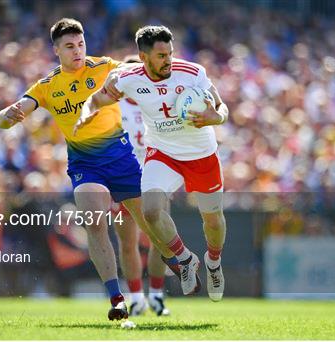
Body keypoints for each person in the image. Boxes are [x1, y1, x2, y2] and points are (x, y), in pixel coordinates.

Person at [0, 18, 176, 320]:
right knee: (103, 227)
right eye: (69, 46)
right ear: (56, 50)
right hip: (85, 165)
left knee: (152, 226)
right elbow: (8, 116)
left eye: (80, 44)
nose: (77, 50)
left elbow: (140, 71)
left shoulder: (104, 67)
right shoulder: (47, 85)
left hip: (124, 164)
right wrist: (7, 115)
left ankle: (171, 274)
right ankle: (121, 298)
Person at [75, 25, 228, 301]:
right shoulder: (129, 78)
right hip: (162, 152)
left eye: (170, 53)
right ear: (143, 57)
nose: (168, 59)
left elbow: (221, 107)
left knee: (213, 220)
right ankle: (185, 259)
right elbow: (98, 98)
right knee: (151, 212)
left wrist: (215, 118)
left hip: (200, 153)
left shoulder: (193, 72)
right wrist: (85, 113)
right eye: (161, 55)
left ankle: (213, 262)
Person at [112, 56, 170, 316]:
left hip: (153, 175)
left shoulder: (156, 100)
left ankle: (156, 295)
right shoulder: (112, 105)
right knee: (127, 241)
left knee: (161, 238)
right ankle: (136, 297)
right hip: (124, 177)